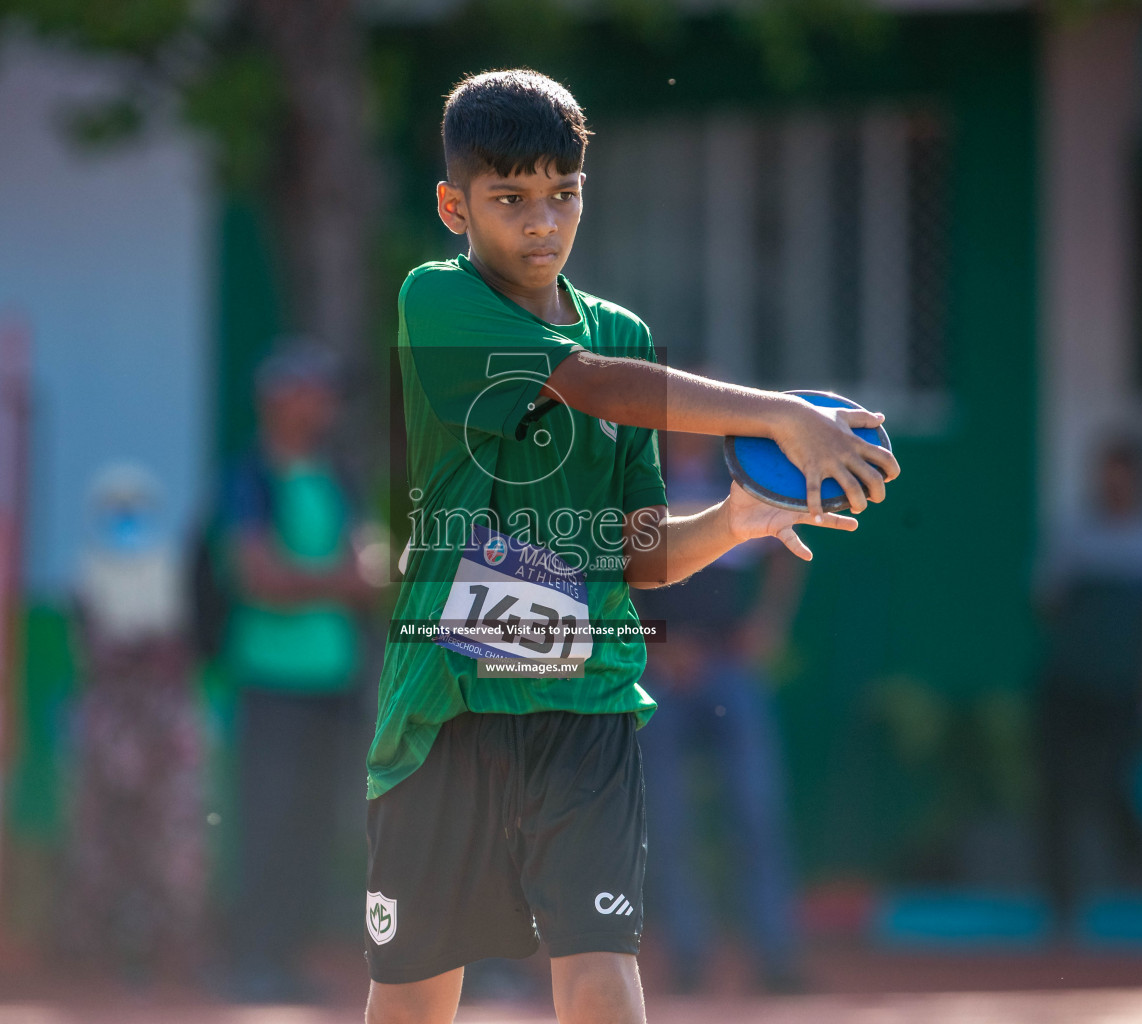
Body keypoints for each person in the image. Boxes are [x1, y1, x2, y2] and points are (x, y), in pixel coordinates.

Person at [365, 70, 897, 1024]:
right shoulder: (437, 299)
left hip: (589, 697)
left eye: (562, 195)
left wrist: (738, 519)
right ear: (455, 206)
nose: (542, 222)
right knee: (413, 1000)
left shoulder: (625, 330)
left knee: (603, 978)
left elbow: (641, 552)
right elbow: (595, 386)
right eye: (511, 198)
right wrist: (775, 410)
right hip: (451, 705)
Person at [216, 344, 374, 1002]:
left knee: (313, 825)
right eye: (314, 391)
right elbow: (255, 576)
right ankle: (251, 957)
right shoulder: (249, 476)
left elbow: (369, 567)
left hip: (333, 682)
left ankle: (289, 959)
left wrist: (334, 581)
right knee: (268, 822)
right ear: (278, 399)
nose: (326, 406)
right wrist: (337, 580)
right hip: (271, 681)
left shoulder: (338, 473)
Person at [633, 430, 807, 994]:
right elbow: (608, 574)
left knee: (756, 813)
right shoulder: (637, 483)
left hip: (732, 669)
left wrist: (769, 625)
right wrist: (657, 646)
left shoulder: (741, 482)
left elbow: (787, 551)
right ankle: (687, 960)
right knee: (669, 819)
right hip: (660, 673)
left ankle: (775, 958)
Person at [60, 462, 206, 981]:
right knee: (106, 838)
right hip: (110, 726)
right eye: (114, 507)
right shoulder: (86, 571)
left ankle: (170, 949)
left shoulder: (172, 570)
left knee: (169, 838)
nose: (126, 516)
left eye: (135, 505)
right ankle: (111, 948)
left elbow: (180, 650)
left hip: (165, 724)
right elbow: (95, 651)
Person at [1034, 438, 1142, 935]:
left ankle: (1140, 891)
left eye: (1122, 474)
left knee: (1118, 787)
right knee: (1058, 793)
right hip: (1067, 685)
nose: (1112, 484)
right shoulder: (1073, 533)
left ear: (1139, 480)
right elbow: (1048, 602)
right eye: (1106, 473)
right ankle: (1062, 908)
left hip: (1124, 690)